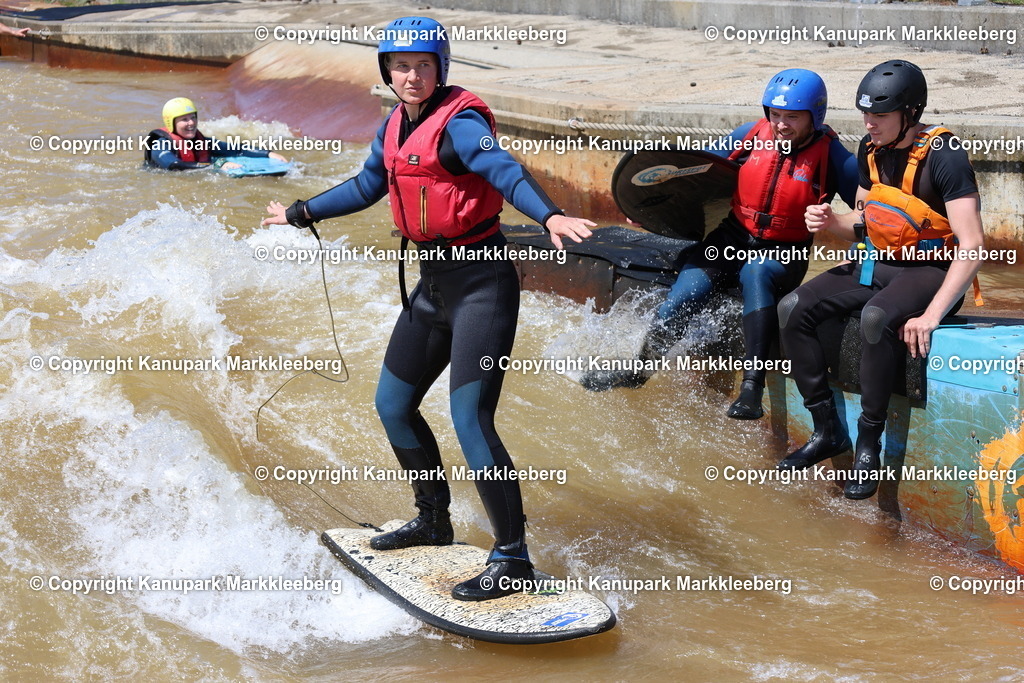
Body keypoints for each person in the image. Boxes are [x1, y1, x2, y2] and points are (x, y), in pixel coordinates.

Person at [262, 16, 594, 601]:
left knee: (470, 418)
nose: (410, 76)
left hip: (483, 287)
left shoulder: (463, 124)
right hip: (431, 287)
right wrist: (300, 212)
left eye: (422, 65)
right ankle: (434, 519)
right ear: (385, 71)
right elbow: (368, 186)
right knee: (392, 405)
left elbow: (505, 172)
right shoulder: (393, 124)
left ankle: (513, 557)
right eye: (399, 65)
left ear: (440, 68)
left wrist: (550, 216)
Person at [582, 69, 857, 421]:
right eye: (775, 114)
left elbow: (865, 212)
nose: (781, 124)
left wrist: (851, 247)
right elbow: (695, 174)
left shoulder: (835, 157)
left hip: (783, 251)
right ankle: (639, 371)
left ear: (815, 116)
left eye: (792, 117)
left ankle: (751, 389)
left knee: (757, 274)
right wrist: (652, 204)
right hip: (731, 237)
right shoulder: (750, 135)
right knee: (684, 295)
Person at [777, 60, 984, 500]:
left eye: (879, 116)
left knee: (875, 319)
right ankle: (828, 430)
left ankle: (868, 447)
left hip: (934, 269)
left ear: (910, 114)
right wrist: (830, 220)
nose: (869, 124)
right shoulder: (869, 150)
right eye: (865, 115)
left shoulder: (945, 156)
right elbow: (864, 223)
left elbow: (973, 244)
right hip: (883, 263)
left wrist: (932, 314)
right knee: (792, 308)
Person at [144, 97, 287, 171]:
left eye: (193, 117)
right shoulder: (161, 144)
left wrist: (268, 154)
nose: (191, 123)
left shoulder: (200, 141)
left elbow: (237, 149)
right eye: (184, 120)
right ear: (171, 123)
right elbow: (173, 165)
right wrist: (217, 166)